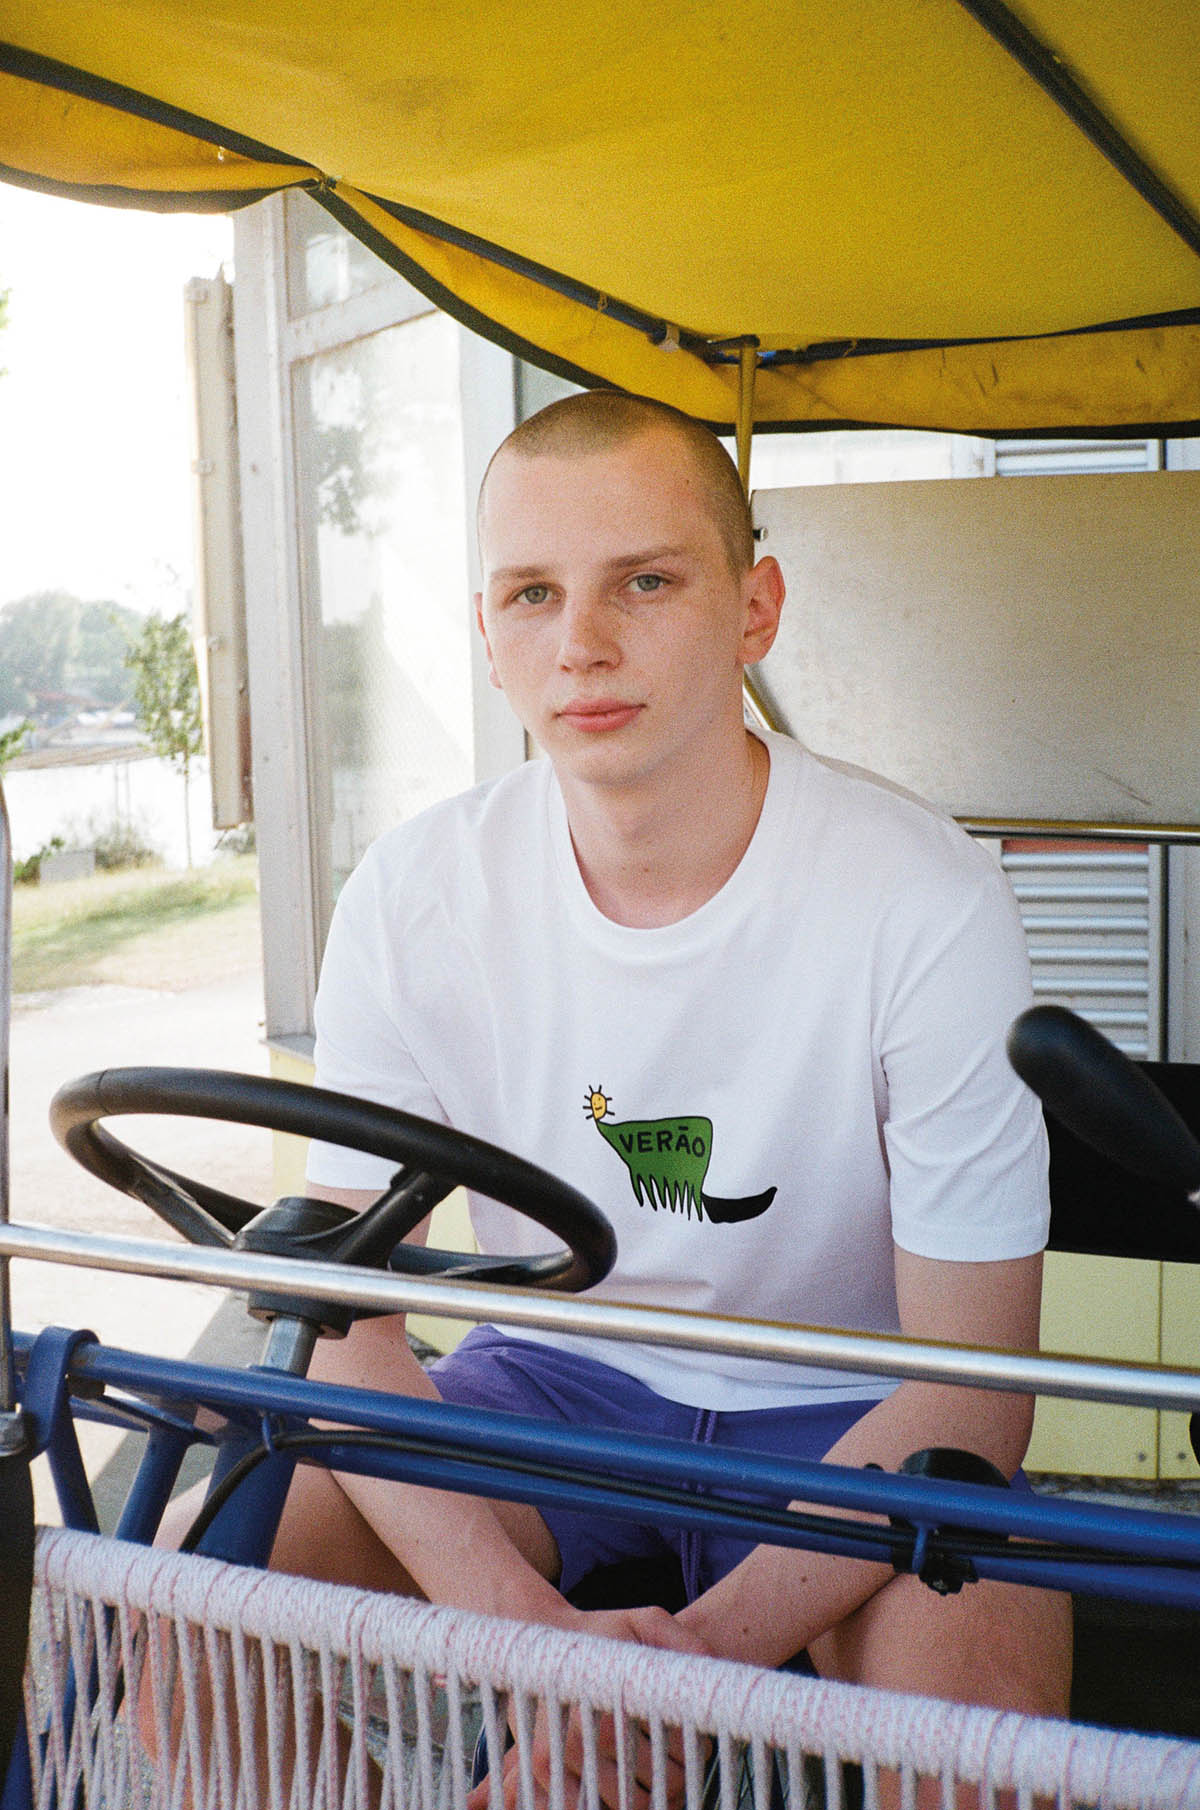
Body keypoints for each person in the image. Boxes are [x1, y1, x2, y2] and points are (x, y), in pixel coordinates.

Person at [265, 392, 1072, 1770]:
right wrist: (523, 1634)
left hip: (858, 1401)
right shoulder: (413, 892)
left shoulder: (923, 896)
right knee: (212, 1615)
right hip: (546, 1379)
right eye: (532, 593)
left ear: (754, 608)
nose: (581, 642)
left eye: (646, 579)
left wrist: (671, 1677)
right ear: (487, 634)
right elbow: (345, 1318)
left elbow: (973, 1390)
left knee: (976, 1737)